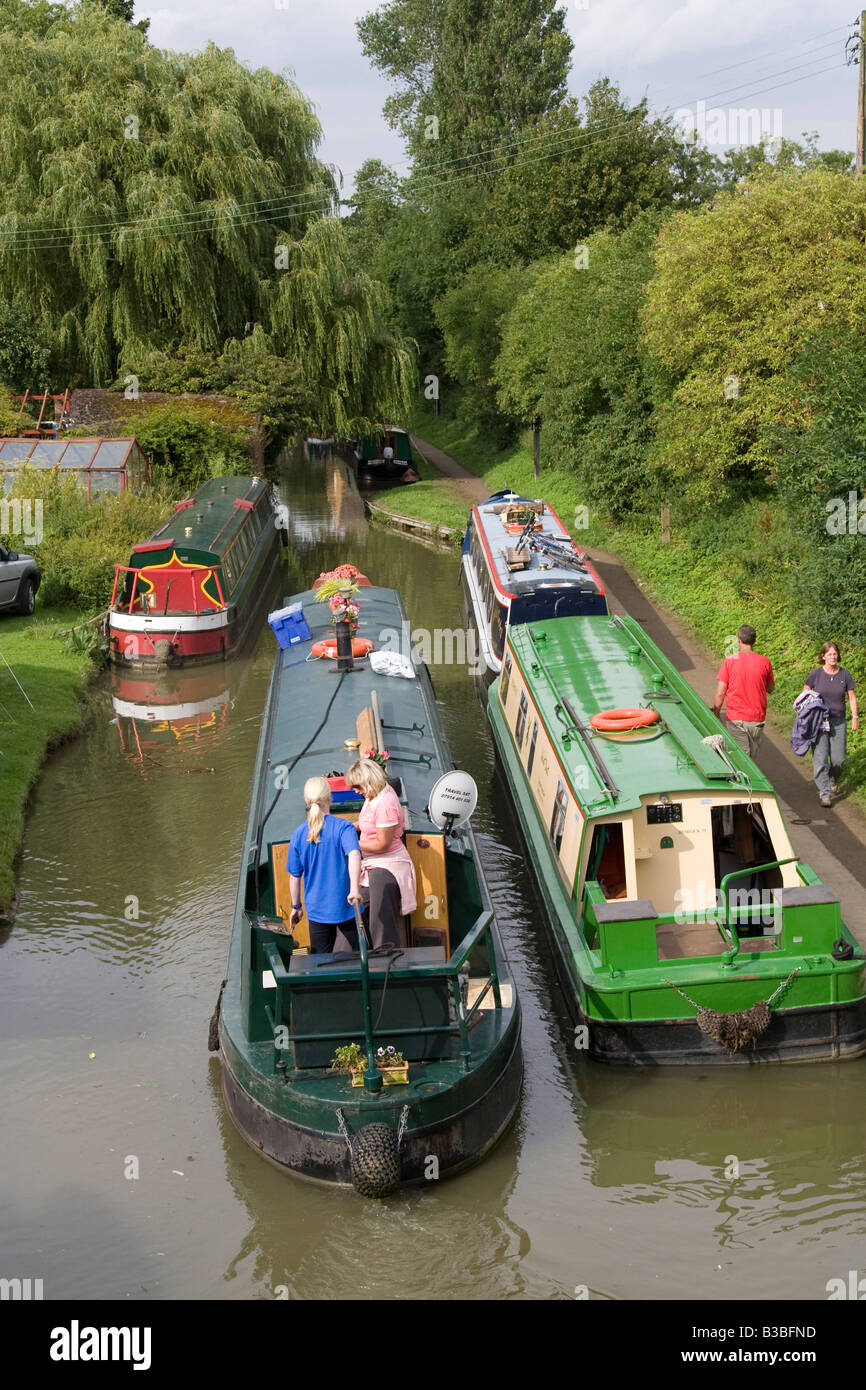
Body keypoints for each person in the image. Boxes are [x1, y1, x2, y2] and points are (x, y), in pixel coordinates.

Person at [346, 758, 416, 948]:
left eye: (358, 786)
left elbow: (382, 844)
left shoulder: (386, 804)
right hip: (373, 862)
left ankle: (385, 951)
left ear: (369, 781)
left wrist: (353, 843)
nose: (355, 791)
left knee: (379, 913)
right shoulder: (373, 795)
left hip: (388, 862)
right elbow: (371, 822)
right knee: (359, 906)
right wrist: (351, 827)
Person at [287, 777, 361, 953]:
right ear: (330, 798)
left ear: (307, 801)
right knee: (367, 956)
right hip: (347, 906)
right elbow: (354, 853)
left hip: (317, 910)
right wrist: (354, 889)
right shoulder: (344, 828)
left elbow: (294, 876)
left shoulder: (298, 834)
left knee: (320, 962)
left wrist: (296, 907)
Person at [802, 642, 858, 807]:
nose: (833, 657)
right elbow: (805, 692)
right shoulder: (816, 675)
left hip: (838, 721)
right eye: (829, 654)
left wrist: (855, 717)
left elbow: (852, 697)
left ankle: (832, 777)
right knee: (820, 759)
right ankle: (825, 793)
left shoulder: (845, 675)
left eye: (835, 654)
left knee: (839, 759)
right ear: (823, 656)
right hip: (819, 721)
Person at [712, 625, 775, 761]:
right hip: (757, 720)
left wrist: (716, 713)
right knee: (750, 757)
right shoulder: (765, 662)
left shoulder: (729, 661)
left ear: (738, 640)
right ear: (754, 641)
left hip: (736, 719)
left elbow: (721, 691)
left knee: (742, 760)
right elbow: (770, 688)